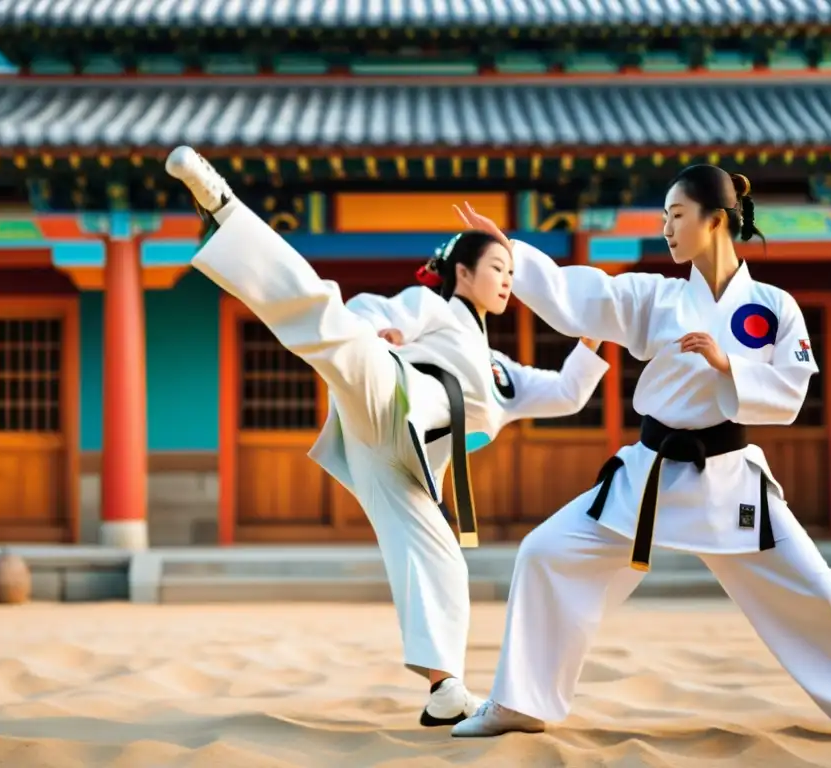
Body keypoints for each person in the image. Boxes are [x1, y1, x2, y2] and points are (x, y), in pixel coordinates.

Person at [448, 165, 831, 741]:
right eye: (662, 218)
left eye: (676, 216)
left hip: (731, 484)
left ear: (716, 220)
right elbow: (583, 298)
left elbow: (790, 393)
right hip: (649, 476)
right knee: (545, 553)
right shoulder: (656, 297)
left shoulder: (774, 306)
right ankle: (520, 702)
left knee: (821, 589)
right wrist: (514, 255)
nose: (666, 229)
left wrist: (728, 364)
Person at [163, 146, 610, 727]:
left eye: (510, 273)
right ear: (463, 274)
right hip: (394, 396)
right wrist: (382, 330)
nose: (506, 280)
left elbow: (570, 392)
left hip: (415, 466)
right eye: (497, 269)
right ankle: (224, 208)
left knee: (442, 559)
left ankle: (443, 686)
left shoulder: (506, 374)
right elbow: (376, 308)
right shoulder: (433, 305)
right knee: (334, 328)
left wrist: (599, 329)